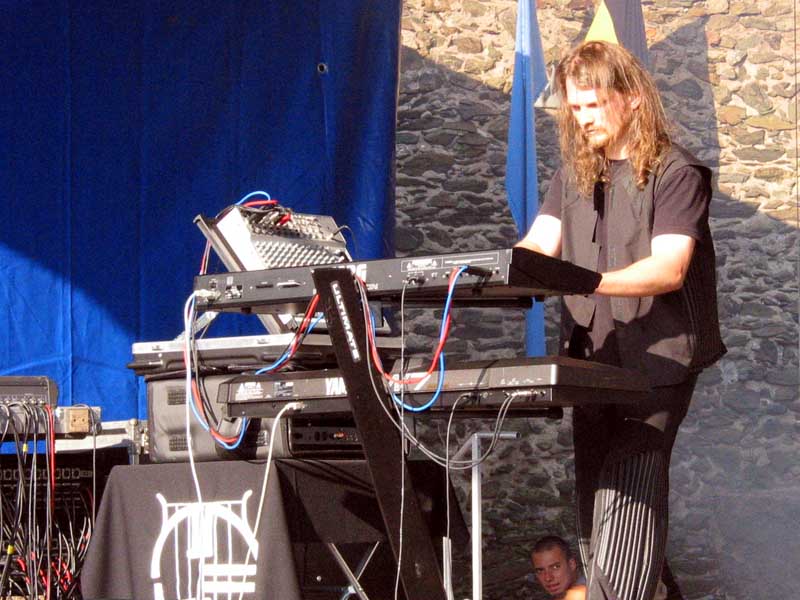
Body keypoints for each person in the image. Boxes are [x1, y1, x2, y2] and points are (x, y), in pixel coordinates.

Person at [517, 41, 725, 600]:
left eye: (593, 104)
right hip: (591, 362)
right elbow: (537, 248)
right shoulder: (573, 174)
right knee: (596, 507)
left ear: (632, 98)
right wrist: (482, 273)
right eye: (575, 108)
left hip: (656, 365)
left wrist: (586, 280)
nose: (583, 118)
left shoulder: (677, 173)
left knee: (627, 495)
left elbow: (669, 268)